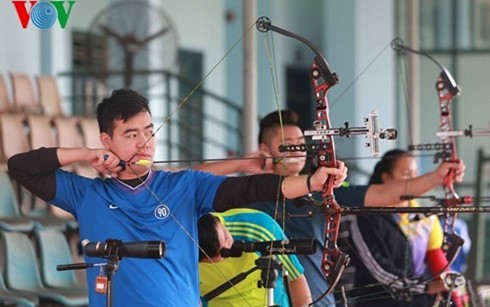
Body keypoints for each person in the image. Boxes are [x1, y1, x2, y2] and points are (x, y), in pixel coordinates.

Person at [6, 89, 347, 307]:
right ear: (106, 141)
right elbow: (21, 168)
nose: (145, 143)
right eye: (131, 135)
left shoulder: (184, 186)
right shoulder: (87, 194)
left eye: (150, 132)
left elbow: (247, 189)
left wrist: (311, 182)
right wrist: (83, 153)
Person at [195, 109, 466, 306]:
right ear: (265, 149)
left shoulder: (322, 190)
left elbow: (385, 193)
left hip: (318, 299)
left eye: (301, 145)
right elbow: (187, 183)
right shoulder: (243, 192)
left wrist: (435, 178)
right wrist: (243, 164)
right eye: (287, 146)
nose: (298, 151)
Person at [348, 149, 462, 306]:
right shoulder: (366, 215)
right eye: (406, 174)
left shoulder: (425, 218)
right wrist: (425, 287)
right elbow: (378, 271)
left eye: (415, 173)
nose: (414, 180)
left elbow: (438, 264)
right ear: (386, 178)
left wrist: (455, 298)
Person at [198, 208, 311, 307]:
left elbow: (295, 279)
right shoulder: (184, 255)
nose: (229, 244)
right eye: (222, 252)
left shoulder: (260, 227)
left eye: (225, 235)